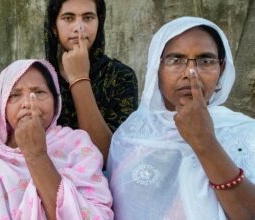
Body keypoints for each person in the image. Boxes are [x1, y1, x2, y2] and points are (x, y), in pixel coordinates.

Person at [107, 16, 255, 219]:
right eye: (176, 60)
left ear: (221, 69)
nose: (191, 72)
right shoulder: (131, 135)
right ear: (156, 69)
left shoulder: (245, 133)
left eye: (205, 60)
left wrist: (205, 142)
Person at [0, 59, 113, 220]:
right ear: (1, 105)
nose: (27, 103)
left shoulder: (76, 146)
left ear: (55, 100)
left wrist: (36, 154)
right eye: (15, 95)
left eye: (39, 92)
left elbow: (94, 214)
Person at [44, 0, 138, 160]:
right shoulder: (39, 75)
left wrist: (79, 78)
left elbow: (111, 155)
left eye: (88, 18)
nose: (79, 27)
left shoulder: (120, 76)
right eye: (68, 18)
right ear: (54, 26)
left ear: (99, 22)